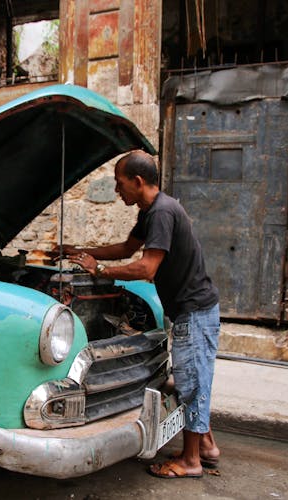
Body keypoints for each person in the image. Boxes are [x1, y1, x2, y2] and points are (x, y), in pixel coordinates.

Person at [58, 150, 221, 479]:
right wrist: (81, 252)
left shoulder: (161, 212)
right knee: (194, 377)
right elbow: (127, 248)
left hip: (195, 311)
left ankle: (191, 462)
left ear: (138, 181)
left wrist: (101, 270)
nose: (117, 192)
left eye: (120, 185)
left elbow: (146, 267)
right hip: (190, 310)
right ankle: (205, 446)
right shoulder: (151, 212)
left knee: (191, 383)